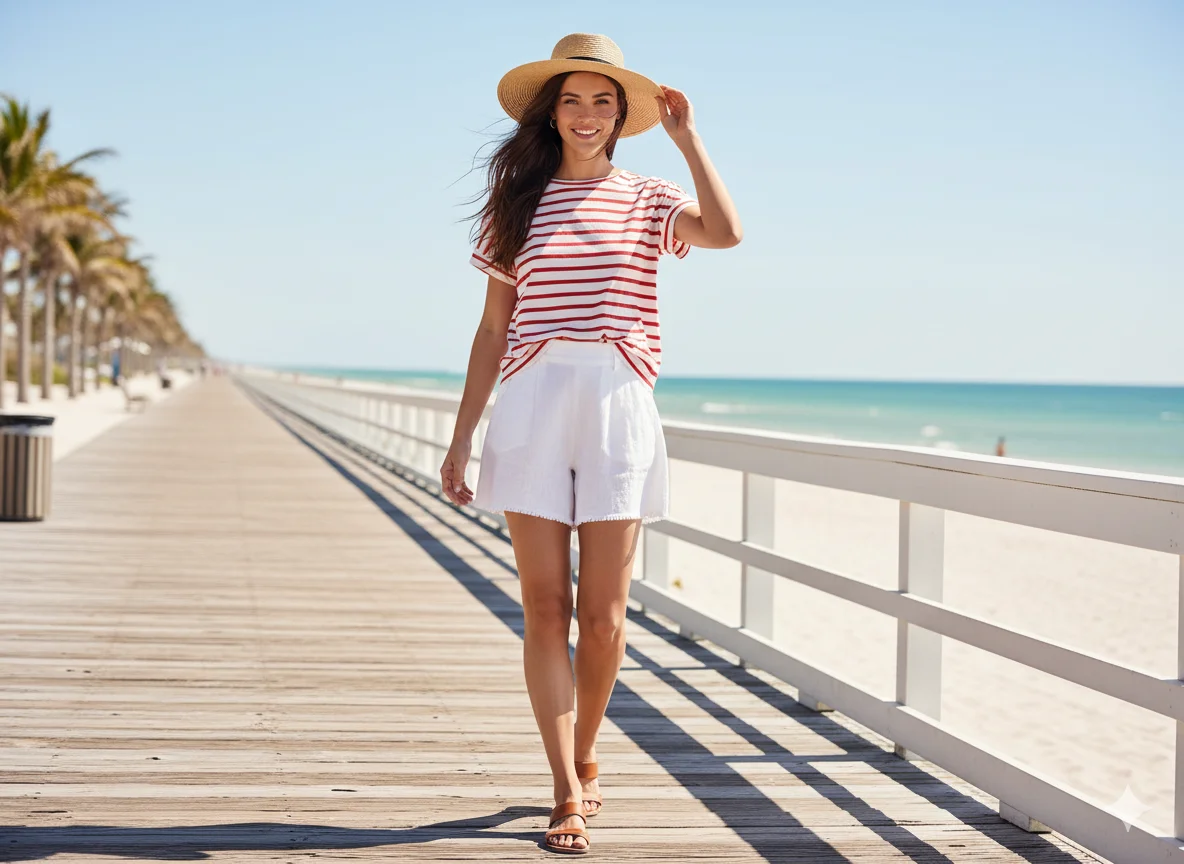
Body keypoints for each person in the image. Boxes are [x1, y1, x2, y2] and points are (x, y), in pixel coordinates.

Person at [439, 33, 742, 855]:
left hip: (617, 400)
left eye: (602, 101)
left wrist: (688, 140)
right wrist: (462, 439)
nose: (585, 114)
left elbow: (725, 232)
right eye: (571, 100)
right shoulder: (516, 201)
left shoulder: (647, 197)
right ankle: (565, 788)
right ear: (551, 112)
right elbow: (492, 330)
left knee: (604, 618)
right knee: (546, 607)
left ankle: (586, 748)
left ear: (620, 115)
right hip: (532, 401)